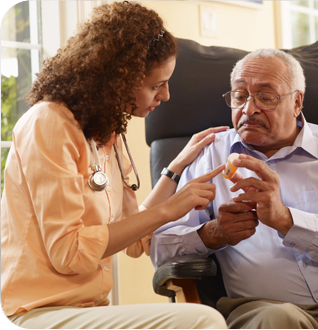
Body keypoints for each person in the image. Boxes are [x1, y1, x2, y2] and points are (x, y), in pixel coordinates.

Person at [1, 2, 228, 329]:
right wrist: (169, 209)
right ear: (118, 79)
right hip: (36, 311)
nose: (165, 95)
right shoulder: (48, 124)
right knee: (204, 321)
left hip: (88, 306)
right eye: (155, 85)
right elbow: (70, 253)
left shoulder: (107, 131)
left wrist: (175, 170)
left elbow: (135, 241)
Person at [150, 48, 318, 328]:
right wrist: (213, 233)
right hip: (270, 309)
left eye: (265, 97)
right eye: (239, 96)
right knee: (279, 319)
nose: (249, 109)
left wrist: (287, 220)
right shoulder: (211, 156)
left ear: (297, 102)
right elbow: (160, 250)